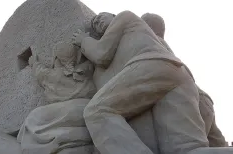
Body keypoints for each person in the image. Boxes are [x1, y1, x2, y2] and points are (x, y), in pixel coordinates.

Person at [72, 11, 208, 154]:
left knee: (97, 111)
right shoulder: (136, 38)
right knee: (186, 150)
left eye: (101, 17)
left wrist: (84, 41)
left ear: (113, 16)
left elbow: (101, 55)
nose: (97, 21)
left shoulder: (124, 16)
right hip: (179, 74)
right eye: (94, 24)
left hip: (152, 67)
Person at [141, 12, 227, 147]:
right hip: (202, 99)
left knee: (187, 149)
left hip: (187, 103)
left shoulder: (152, 44)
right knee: (218, 145)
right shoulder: (166, 48)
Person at [17, 41, 96, 154]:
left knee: (32, 119)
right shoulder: (86, 69)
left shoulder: (52, 75)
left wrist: (33, 62)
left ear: (56, 58)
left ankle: (46, 145)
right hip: (88, 106)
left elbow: (39, 71)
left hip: (70, 110)